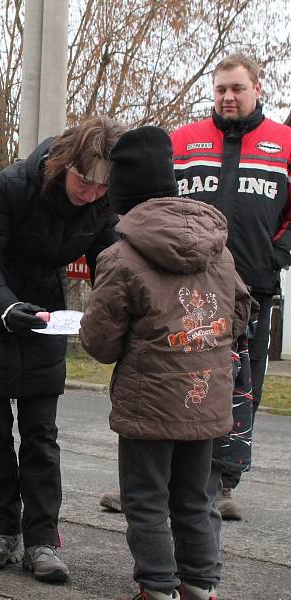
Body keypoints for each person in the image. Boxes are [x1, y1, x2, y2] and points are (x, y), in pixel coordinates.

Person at [100, 52, 291, 520]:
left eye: (237, 88)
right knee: (164, 380)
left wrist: (276, 255)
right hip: (180, 289)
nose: (228, 97)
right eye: (221, 88)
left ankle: (220, 483)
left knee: (236, 387)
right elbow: (153, 201)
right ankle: (151, 484)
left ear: (258, 89)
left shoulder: (285, 144)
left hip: (251, 288)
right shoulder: (183, 141)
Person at [0, 116, 124, 582]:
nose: (89, 193)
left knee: (41, 435)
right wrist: (6, 307)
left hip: (45, 316)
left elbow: (113, 263)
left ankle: (43, 540)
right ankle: (1, 532)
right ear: (65, 164)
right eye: (84, 181)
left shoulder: (103, 204)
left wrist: (112, 310)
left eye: (100, 188)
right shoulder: (12, 186)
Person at [79, 126, 252, 600]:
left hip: (149, 405)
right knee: (197, 497)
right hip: (207, 394)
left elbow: (101, 342)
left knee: (147, 498)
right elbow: (240, 315)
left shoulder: (121, 256)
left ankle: (157, 588)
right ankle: (200, 583)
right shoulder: (219, 250)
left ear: (122, 195)